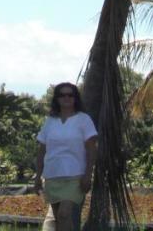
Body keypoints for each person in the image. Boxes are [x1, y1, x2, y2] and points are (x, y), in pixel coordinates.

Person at [33, 82, 97, 231]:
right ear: (57, 98)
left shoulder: (84, 119)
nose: (66, 98)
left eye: (70, 95)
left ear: (75, 98)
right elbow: (41, 151)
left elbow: (92, 149)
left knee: (64, 214)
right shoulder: (50, 122)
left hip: (75, 177)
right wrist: (37, 177)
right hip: (52, 176)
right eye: (62, 95)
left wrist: (88, 174)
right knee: (59, 220)